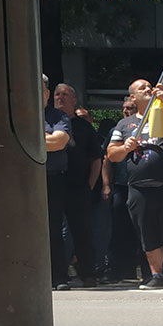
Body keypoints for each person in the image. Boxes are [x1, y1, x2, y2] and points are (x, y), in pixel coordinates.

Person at [106, 78, 163, 290]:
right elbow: (111, 154)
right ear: (133, 97)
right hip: (138, 187)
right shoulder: (124, 125)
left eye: (149, 85)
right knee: (147, 233)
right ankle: (156, 275)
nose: (148, 88)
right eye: (142, 87)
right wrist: (125, 148)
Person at [52, 83, 102, 288]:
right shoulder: (47, 122)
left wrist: (90, 185)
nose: (60, 97)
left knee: (82, 232)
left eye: (65, 94)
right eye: (57, 94)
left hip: (78, 187)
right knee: (54, 232)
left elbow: (96, 158)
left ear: (74, 100)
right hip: (53, 184)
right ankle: (58, 277)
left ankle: (88, 274)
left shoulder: (84, 127)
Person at [100, 97, 141, 282]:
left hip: (141, 185)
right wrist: (106, 185)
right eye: (124, 108)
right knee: (118, 229)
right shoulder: (116, 130)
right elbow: (107, 159)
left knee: (140, 229)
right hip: (120, 186)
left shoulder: (147, 128)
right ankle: (115, 269)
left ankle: (138, 270)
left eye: (130, 108)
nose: (126, 111)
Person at [42, 75, 72, 290]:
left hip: (52, 178)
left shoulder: (58, 116)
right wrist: (46, 137)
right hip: (24, 182)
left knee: (53, 229)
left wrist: (31, 138)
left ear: (47, 93)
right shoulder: (19, 115)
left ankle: (58, 277)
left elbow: (59, 142)